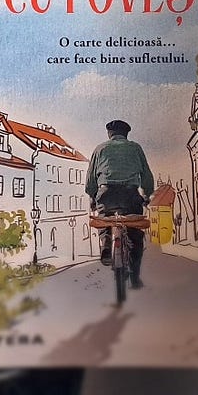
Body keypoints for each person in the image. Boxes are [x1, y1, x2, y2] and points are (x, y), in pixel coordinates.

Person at [85, 120, 154, 289]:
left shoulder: (100, 149)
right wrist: (146, 195)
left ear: (109, 133)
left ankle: (106, 243)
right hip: (130, 194)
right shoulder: (135, 148)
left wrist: (93, 197)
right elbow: (146, 176)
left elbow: (90, 179)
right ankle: (135, 278)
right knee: (135, 236)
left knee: (104, 219)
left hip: (106, 194)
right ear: (126, 134)